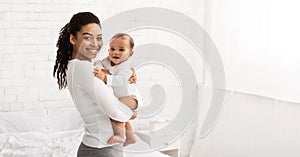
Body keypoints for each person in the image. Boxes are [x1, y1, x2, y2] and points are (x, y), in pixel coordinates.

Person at [53, 12, 136, 157]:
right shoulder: (82, 68)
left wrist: (125, 72)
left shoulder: (81, 67)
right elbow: (116, 112)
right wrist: (133, 111)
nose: (95, 43)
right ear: (73, 39)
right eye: (87, 38)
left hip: (101, 147)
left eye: (99, 38)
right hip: (101, 149)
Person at [93, 33, 142, 147]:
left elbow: (120, 80)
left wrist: (105, 77)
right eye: (112, 49)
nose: (115, 52)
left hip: (131, 98)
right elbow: (98, 64)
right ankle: (131, 137)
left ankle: (120, 136)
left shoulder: (126, 67)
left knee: (117, 110)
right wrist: (99, 69)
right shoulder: (107, 62)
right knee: (122, 115)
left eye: (121, 49)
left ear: (130, 54)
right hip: (121, 98)